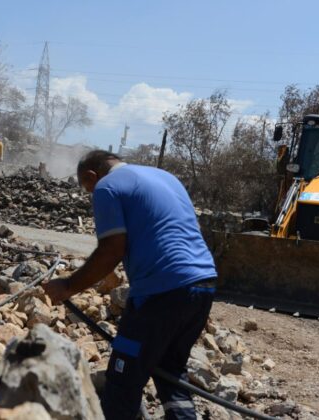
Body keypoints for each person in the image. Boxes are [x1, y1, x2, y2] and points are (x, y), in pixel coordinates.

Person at [42, 150, 217, 420]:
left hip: (160, 293)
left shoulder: (107, 187)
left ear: (92, 175)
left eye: (88, 189)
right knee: (170, 371)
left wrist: (67, 285)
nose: (92, 195)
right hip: (203, 285)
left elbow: (111, 251)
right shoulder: (165, 177)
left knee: (123, 380)